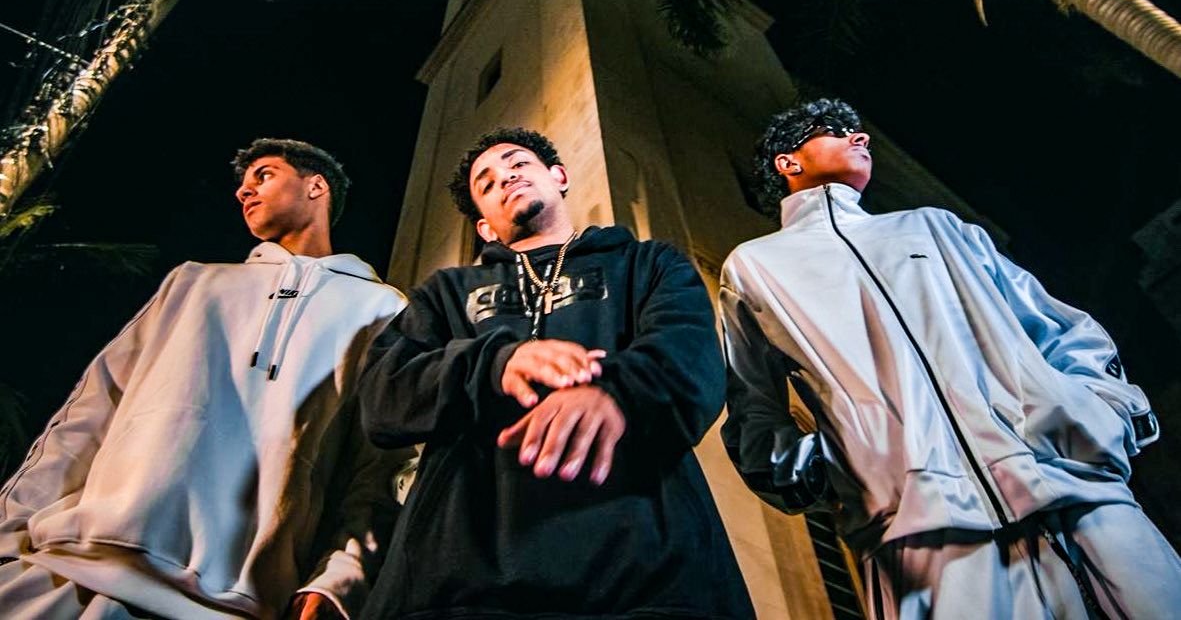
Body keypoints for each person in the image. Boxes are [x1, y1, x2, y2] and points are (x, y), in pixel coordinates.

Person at [720, 97, 1181, 618]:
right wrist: (851, 467)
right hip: (923, 538)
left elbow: (1059, 327)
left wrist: (1099, 409)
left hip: (1076, 490)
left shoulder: (934, 227)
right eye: (836, 130)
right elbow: (753, 410)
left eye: (858, 130)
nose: (861, 137)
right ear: (788, 161)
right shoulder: (755, 267)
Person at [0, 138, 408, 619]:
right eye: (243, 183)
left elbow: (382, 462)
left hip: (237, 601)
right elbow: (91, 411)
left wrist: (340, 578)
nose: (243, 191)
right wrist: (9, 529)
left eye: (263, 175)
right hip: (69, 571)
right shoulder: (193, 280)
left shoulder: (382, 308)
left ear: (316, 186)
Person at [357, 127, 753, 619]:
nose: (505, 177)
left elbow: (691, 356)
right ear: (484, 228)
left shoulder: (648, 263)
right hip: (458, 584)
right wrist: (494, 365)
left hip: (650, 578)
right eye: (486, 183)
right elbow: (383, 395)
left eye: (517, 163)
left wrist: (615, 392)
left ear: (559, 176)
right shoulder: (445, 293)